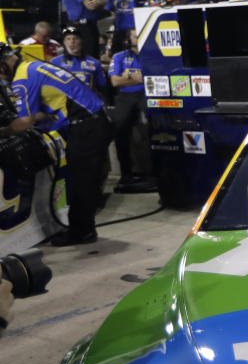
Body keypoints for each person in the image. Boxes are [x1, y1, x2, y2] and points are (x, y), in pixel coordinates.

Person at [0, 43, 111, 245]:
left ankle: (82, 233)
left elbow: (24, 122)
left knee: (80, 182)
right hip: (94, 121)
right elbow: (43, 110)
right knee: (81, 180)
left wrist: (5, 130)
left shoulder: (22, 80)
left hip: (86, 126)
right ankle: (82, 229)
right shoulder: (32, 66)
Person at [109, 29, 150, 193]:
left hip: (148, 94)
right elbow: (115, 81)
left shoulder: (152, 53)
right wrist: (137, 77)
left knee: (160, 129)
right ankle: (126, 174)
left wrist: (129, 76)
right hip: (126, 97)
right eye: (135, 35)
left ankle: (161, 171)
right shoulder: (119, 56)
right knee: (119, 131)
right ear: (129, 39)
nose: (138, 37)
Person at [51, 26, 108, 95]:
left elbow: (102, 87)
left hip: (87, 102)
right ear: (64, 42)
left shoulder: (95, 63)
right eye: (68, 39)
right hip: (63, 103)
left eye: (75, 38)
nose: (72, 42)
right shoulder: (55, 62)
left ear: (81, 41)